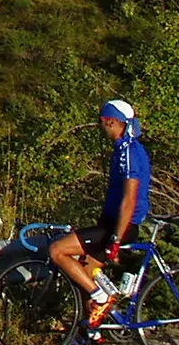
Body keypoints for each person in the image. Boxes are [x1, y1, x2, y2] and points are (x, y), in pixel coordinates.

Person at [46, 98, 153, 331]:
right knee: (86, 271)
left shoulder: (128, 152)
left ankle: (101, 297)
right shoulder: (126, 148)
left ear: (112, 122)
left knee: (57, 250)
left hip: (119, 225)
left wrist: (115, 239)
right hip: (113, 222)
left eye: (102, 122)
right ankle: (92, 329)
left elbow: (129, 200)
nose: (101, 127)